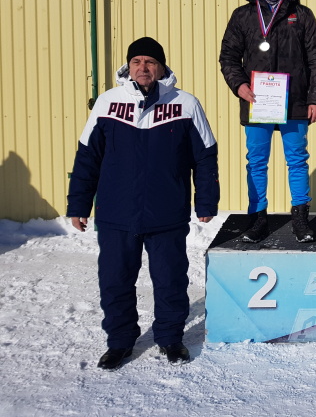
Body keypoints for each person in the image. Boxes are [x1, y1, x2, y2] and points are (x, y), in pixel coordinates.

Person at [67, 37, 220, 370]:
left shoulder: (185, 104)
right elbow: (87, 159)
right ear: (128, 67)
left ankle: (170, 338)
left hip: (167, 212)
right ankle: (120, 342)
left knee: (170, 279)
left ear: (162, 68)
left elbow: (204, 157)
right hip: (115, 213)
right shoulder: (108, 102)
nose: (143, 68)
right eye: (137, 62)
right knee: (115, 280)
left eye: (150, 62)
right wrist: (78, 204)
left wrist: (206, 201)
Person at [220, 0, 316, 243]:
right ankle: (257, 218)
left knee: (297, 159)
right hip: (258, 102)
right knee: (256, 161)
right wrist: (239, 85)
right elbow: (228, 56)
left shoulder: (301, 14)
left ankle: (301, 218)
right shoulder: (243, 15)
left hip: (294, 102)